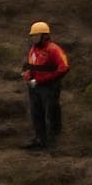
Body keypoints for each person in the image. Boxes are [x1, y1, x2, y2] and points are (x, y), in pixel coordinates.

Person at [22, 21, 69, 150]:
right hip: (35, 87)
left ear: (45, 36)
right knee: (36, 113)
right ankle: (40, 139)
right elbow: (31, 66)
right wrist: (28, 76)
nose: (34, 39)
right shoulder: (33, 50)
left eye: (37, 36)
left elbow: (64, 67)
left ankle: (54, 141)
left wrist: (48, 79)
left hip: (49, 87)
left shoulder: (53, 49)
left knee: (51, 113)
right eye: (33, 37)